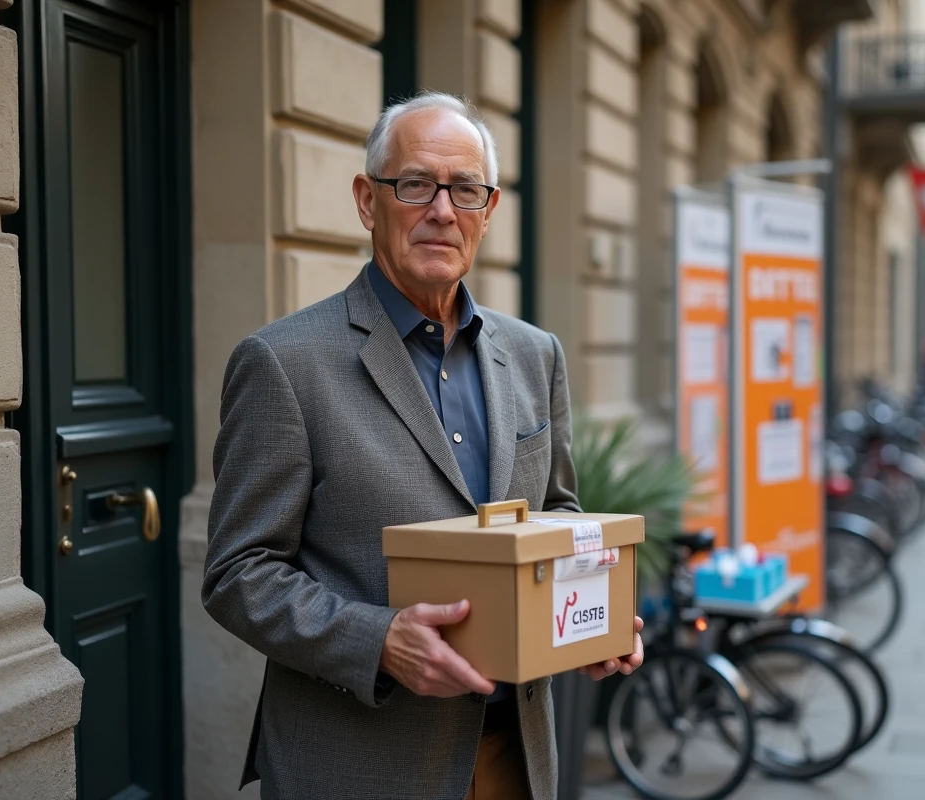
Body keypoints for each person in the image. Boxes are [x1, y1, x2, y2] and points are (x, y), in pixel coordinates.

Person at [201, 92, 643, 799]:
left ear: (488, 211)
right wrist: (378, 641)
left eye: (465, 189)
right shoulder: (284, 362)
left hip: (516, 756)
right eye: (415, 184)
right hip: (362, 767)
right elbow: (238, 574)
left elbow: (557, 517)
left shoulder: (536, 355)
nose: (442, 210)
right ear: (367, 200)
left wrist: (590, 620)